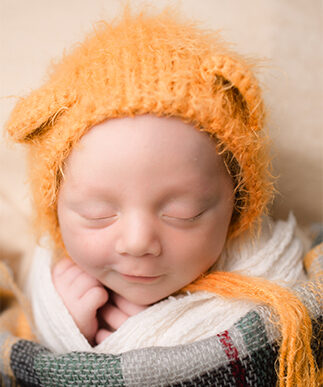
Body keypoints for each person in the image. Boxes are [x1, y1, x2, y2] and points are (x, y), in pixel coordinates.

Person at [4, 6, 319, 386]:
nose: (138, 243)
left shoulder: (272, 270)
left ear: (237, 208)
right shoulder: (49, 277)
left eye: (184, 213)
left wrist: (162, 335)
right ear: (55, 211)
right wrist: (64, 326)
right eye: (97, 213)